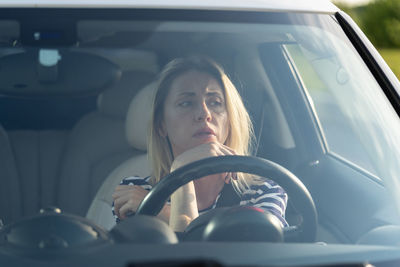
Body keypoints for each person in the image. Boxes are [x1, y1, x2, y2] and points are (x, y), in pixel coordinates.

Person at [112, 56, 288, 232]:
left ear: (230, 119)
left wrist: (161, 208)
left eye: (215, 103)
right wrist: (181, 177)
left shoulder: (262, 190)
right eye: (186, 103)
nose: (204, 113)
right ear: (161, 125)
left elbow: (259, 250)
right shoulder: (136, 191)